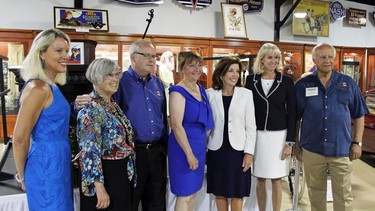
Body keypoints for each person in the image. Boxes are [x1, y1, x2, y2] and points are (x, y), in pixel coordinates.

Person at [74, 39, 168, 211]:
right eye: (146, 55)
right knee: (130, 203)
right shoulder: (116, 87)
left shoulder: (157, 84)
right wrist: (98, 185)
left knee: (156, 203)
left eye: (154, 56)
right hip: (128, 158)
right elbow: (89, 149)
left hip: (152, 154)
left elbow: (163, 117)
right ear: (133, 58)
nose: (151, 60)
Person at [294, 43, 369, 211]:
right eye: (322, 57)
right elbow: (296, 118)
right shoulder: (302, 85)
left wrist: (357, 143)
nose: (326, 61)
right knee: (315, 194)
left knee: (343, 196)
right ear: (314, 60)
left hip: (341, 150)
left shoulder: (348, 83)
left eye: (330, 57)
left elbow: (359, 115)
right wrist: (296, 145)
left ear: (334, 59)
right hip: (312, 150)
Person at [12, 28, 74, 211]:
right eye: (58, 51)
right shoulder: (38, 88)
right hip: (45, 165)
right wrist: (23, 177)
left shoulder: (50, 86)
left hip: (59, 163)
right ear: (41, 53)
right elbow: (19, 139)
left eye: (66, 50)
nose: (66, 56)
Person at [77, 58, 136, 211]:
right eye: (110, 75)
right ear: (97, 76)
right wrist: (99, 187)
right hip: (105, 175)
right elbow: (89, 152)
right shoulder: (91, 108)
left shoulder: (112, 104)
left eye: (117, 74)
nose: (115, 79)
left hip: (119, 174)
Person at [244, 43, 296, 211]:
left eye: (276, 58)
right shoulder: (250, 80)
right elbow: (245, 108)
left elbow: (292, 113)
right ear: (262, 60)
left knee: (276, 179)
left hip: (278, 137)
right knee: (259, 178)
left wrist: (289, 143)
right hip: (257, 136)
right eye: (269, 57)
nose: (273, 61)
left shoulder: (286, 81)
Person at [206, 56, 256, 211]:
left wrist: (249, 153)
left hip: (238, 152)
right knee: (219, 192)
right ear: (221, 73)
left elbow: (251, 126)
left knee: (237, 193)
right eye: (230, 71)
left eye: (237, 71)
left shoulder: (246, 94)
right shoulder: (209, 94)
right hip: (217, 150)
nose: (235, 75)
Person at [168, 51, 214, 211]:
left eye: (199, 64)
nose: (196, 69)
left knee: (194, 192)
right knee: (184, 194)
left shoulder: (200, 89)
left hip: (199, 146)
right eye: (191, 65)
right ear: (182, 69)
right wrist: (189, 154)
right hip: (183, 149)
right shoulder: (177, 91)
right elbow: (176, 125)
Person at [158, 50, 175, 116]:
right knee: (167, 99)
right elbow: (162, 79)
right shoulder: (162, 68)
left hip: (171, 87)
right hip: (166, 88)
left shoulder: (169, 69)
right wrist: (168, 84)